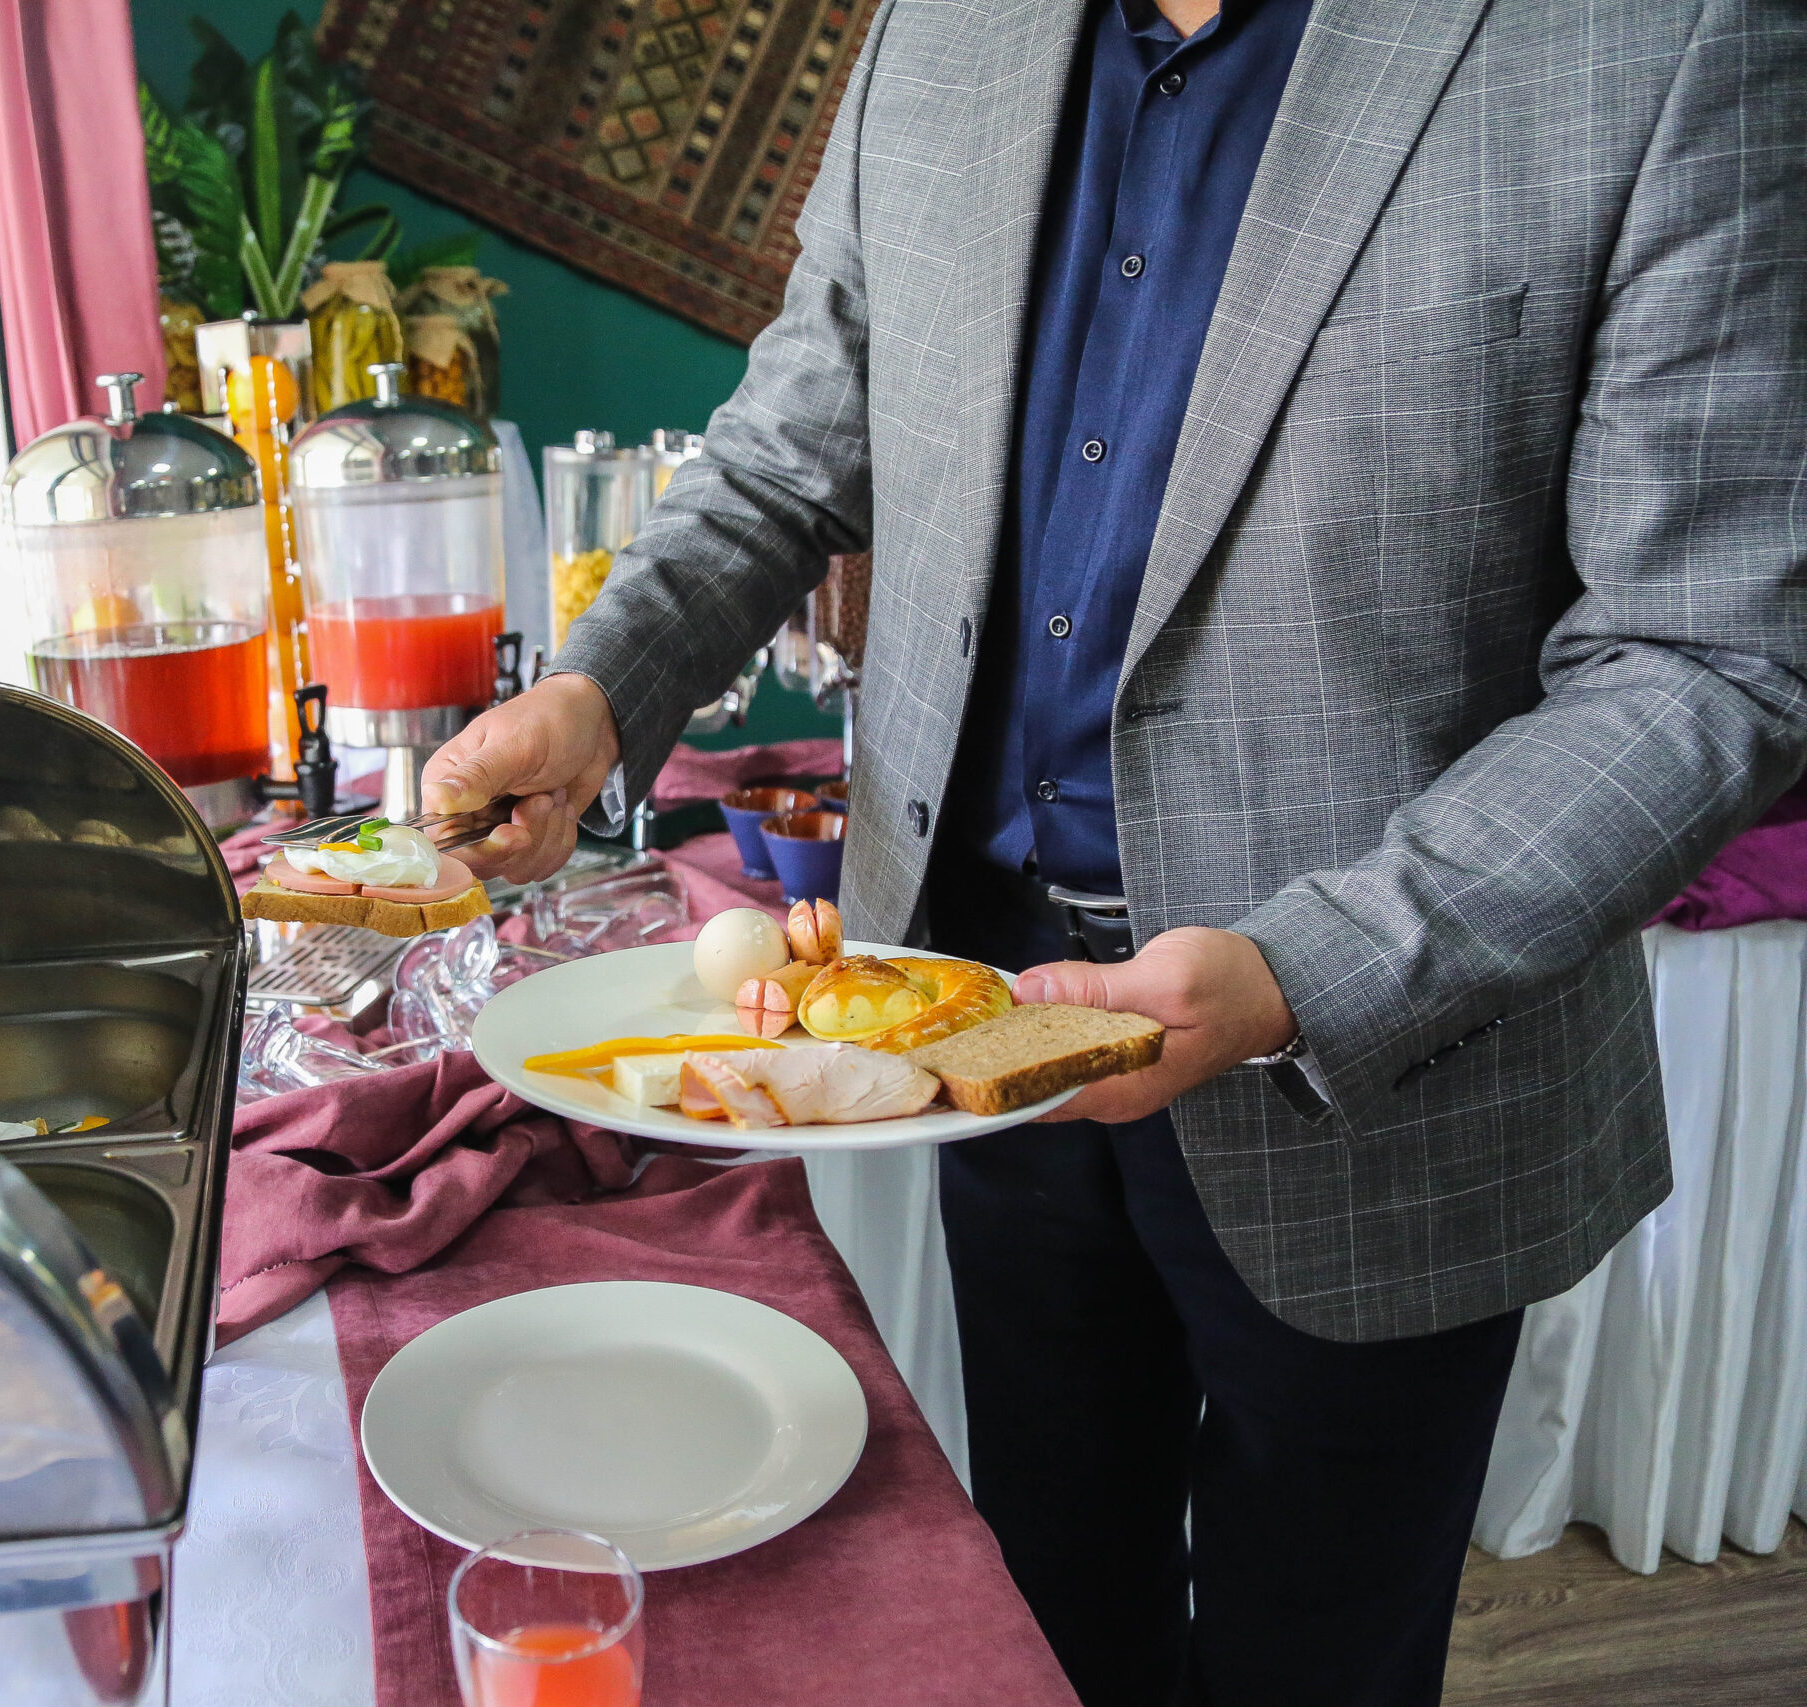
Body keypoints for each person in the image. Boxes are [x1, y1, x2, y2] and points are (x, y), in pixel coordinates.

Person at [425, 1, 1807, 1702]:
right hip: (974, 1013)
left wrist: (1314, 973)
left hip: (1388, 1065)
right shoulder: (940, 29)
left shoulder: (1658, 39)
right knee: (1048, 1623)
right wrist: (599, 690)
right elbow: (791, 453)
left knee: (1325, 1663)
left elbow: (1710, 655)